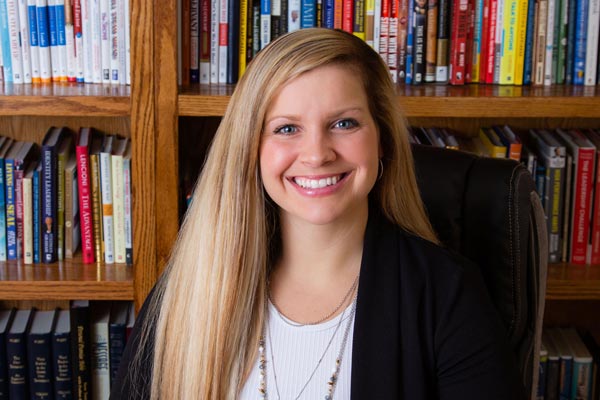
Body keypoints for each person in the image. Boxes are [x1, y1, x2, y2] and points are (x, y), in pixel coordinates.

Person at [111, 28, 525, 399]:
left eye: (344, 123)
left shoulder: (447, 294)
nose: (316, 154)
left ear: (381, 140)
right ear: (251, 149)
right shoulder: (188, 290)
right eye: (286, 129)